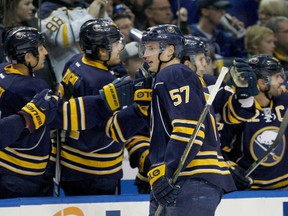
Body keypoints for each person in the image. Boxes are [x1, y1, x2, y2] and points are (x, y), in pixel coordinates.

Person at [0, 25, 151, 198]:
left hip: (63, 161)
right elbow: (67, 116)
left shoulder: (75, 62)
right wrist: (138, 109)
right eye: (40, 48)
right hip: (89, 168)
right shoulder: (33, 86)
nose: (45, 53)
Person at [139, 24, 256, 216]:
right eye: (145, 48)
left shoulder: (173, 74)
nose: (145, 54)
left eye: (151, 48)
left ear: (170, 50)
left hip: (190, 176)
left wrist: (166, 169)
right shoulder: (180, 77)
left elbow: (189, 128)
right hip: (190, 178)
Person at [58, 18, 151, 196]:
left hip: (70, 159)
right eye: (116, 44)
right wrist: (141, 108)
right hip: (95, 168)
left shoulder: (76, 61)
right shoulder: (101, 81)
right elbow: (115, 130)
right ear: (101, 51)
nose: (120, 48)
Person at [220, 54, 288, 190]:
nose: (282, 80)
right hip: (249, 190)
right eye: (277, 76)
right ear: (262, 83)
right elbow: (218, 146)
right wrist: (230, 167)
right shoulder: (236, 109)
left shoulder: (284, 99)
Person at [37, 0, 110, 84]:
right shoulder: (46, 11)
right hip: (73, 80)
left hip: (101, 71)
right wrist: (90, 17)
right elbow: (63, 39)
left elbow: (115, 37)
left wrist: (101, 18)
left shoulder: (86, 6)